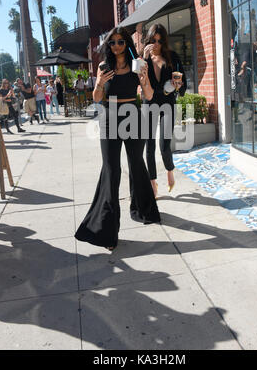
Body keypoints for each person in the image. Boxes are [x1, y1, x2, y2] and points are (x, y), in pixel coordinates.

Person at [75, 26, 160, 250]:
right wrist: (100, 82)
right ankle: (107, 231)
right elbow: (96, 98)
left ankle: (143, 210)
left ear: (127, 44)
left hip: (133, 115)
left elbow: (149, 95)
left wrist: (145, 78)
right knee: (111, 171)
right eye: (112, 42)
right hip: (110, 118)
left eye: (120, 42)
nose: (116, 46)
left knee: (136, 164)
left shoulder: (138, 64)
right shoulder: (104, 66)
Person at [141, 23, 186, 198]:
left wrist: (179, 85)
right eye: (153, 40)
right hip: (150, 102)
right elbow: (139, 80)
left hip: (168, 102)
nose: (156, 44)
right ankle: (153, 182)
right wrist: (144, 59)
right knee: (149, 145)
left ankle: (169, 170)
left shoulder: (172, 57)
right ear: (149, 40)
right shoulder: (142, 58)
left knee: (164, 144)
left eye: (160, 40)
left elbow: (183, 81)